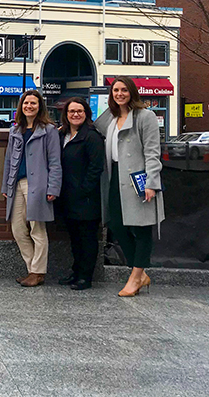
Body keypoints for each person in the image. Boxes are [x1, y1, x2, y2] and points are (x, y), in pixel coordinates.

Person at [95, 76, 165, 297]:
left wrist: (152, 183)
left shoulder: (146, 117)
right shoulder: (111, 118)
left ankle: (135, 277)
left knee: (142, 228)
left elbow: (153, 152)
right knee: (116, 225)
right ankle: (139, 273)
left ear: (132, 92)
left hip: (139, 180)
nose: (120, 94)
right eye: (115, 90)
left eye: (124, 90)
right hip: (114, 177)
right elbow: (94, 127)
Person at [1, 90, 62, 287]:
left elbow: (55, 162)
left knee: (37, 229)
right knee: (18, 228)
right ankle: (31, 268)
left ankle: (38, 271)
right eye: (26, 103)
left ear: (40, 106)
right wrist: (6, 185)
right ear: (21, 106)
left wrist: (53, 187)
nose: (29, 106)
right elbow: (9, 160)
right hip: (16, 184)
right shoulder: (15, 130)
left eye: (33, 103)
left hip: (38, 185)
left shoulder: (48, 130)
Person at [56, 97, 105, 290]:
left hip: (86, 199)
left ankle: (85, 277)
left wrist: (84, 190)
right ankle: (76, 272)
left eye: (79, 111)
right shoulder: (63, 136)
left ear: (86, 114)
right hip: (67, 197)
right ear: (66, 115)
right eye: (71, 112)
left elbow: (95, 168)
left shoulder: (92, 137)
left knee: (87, 239)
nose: (75, 115)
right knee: (74, 238)